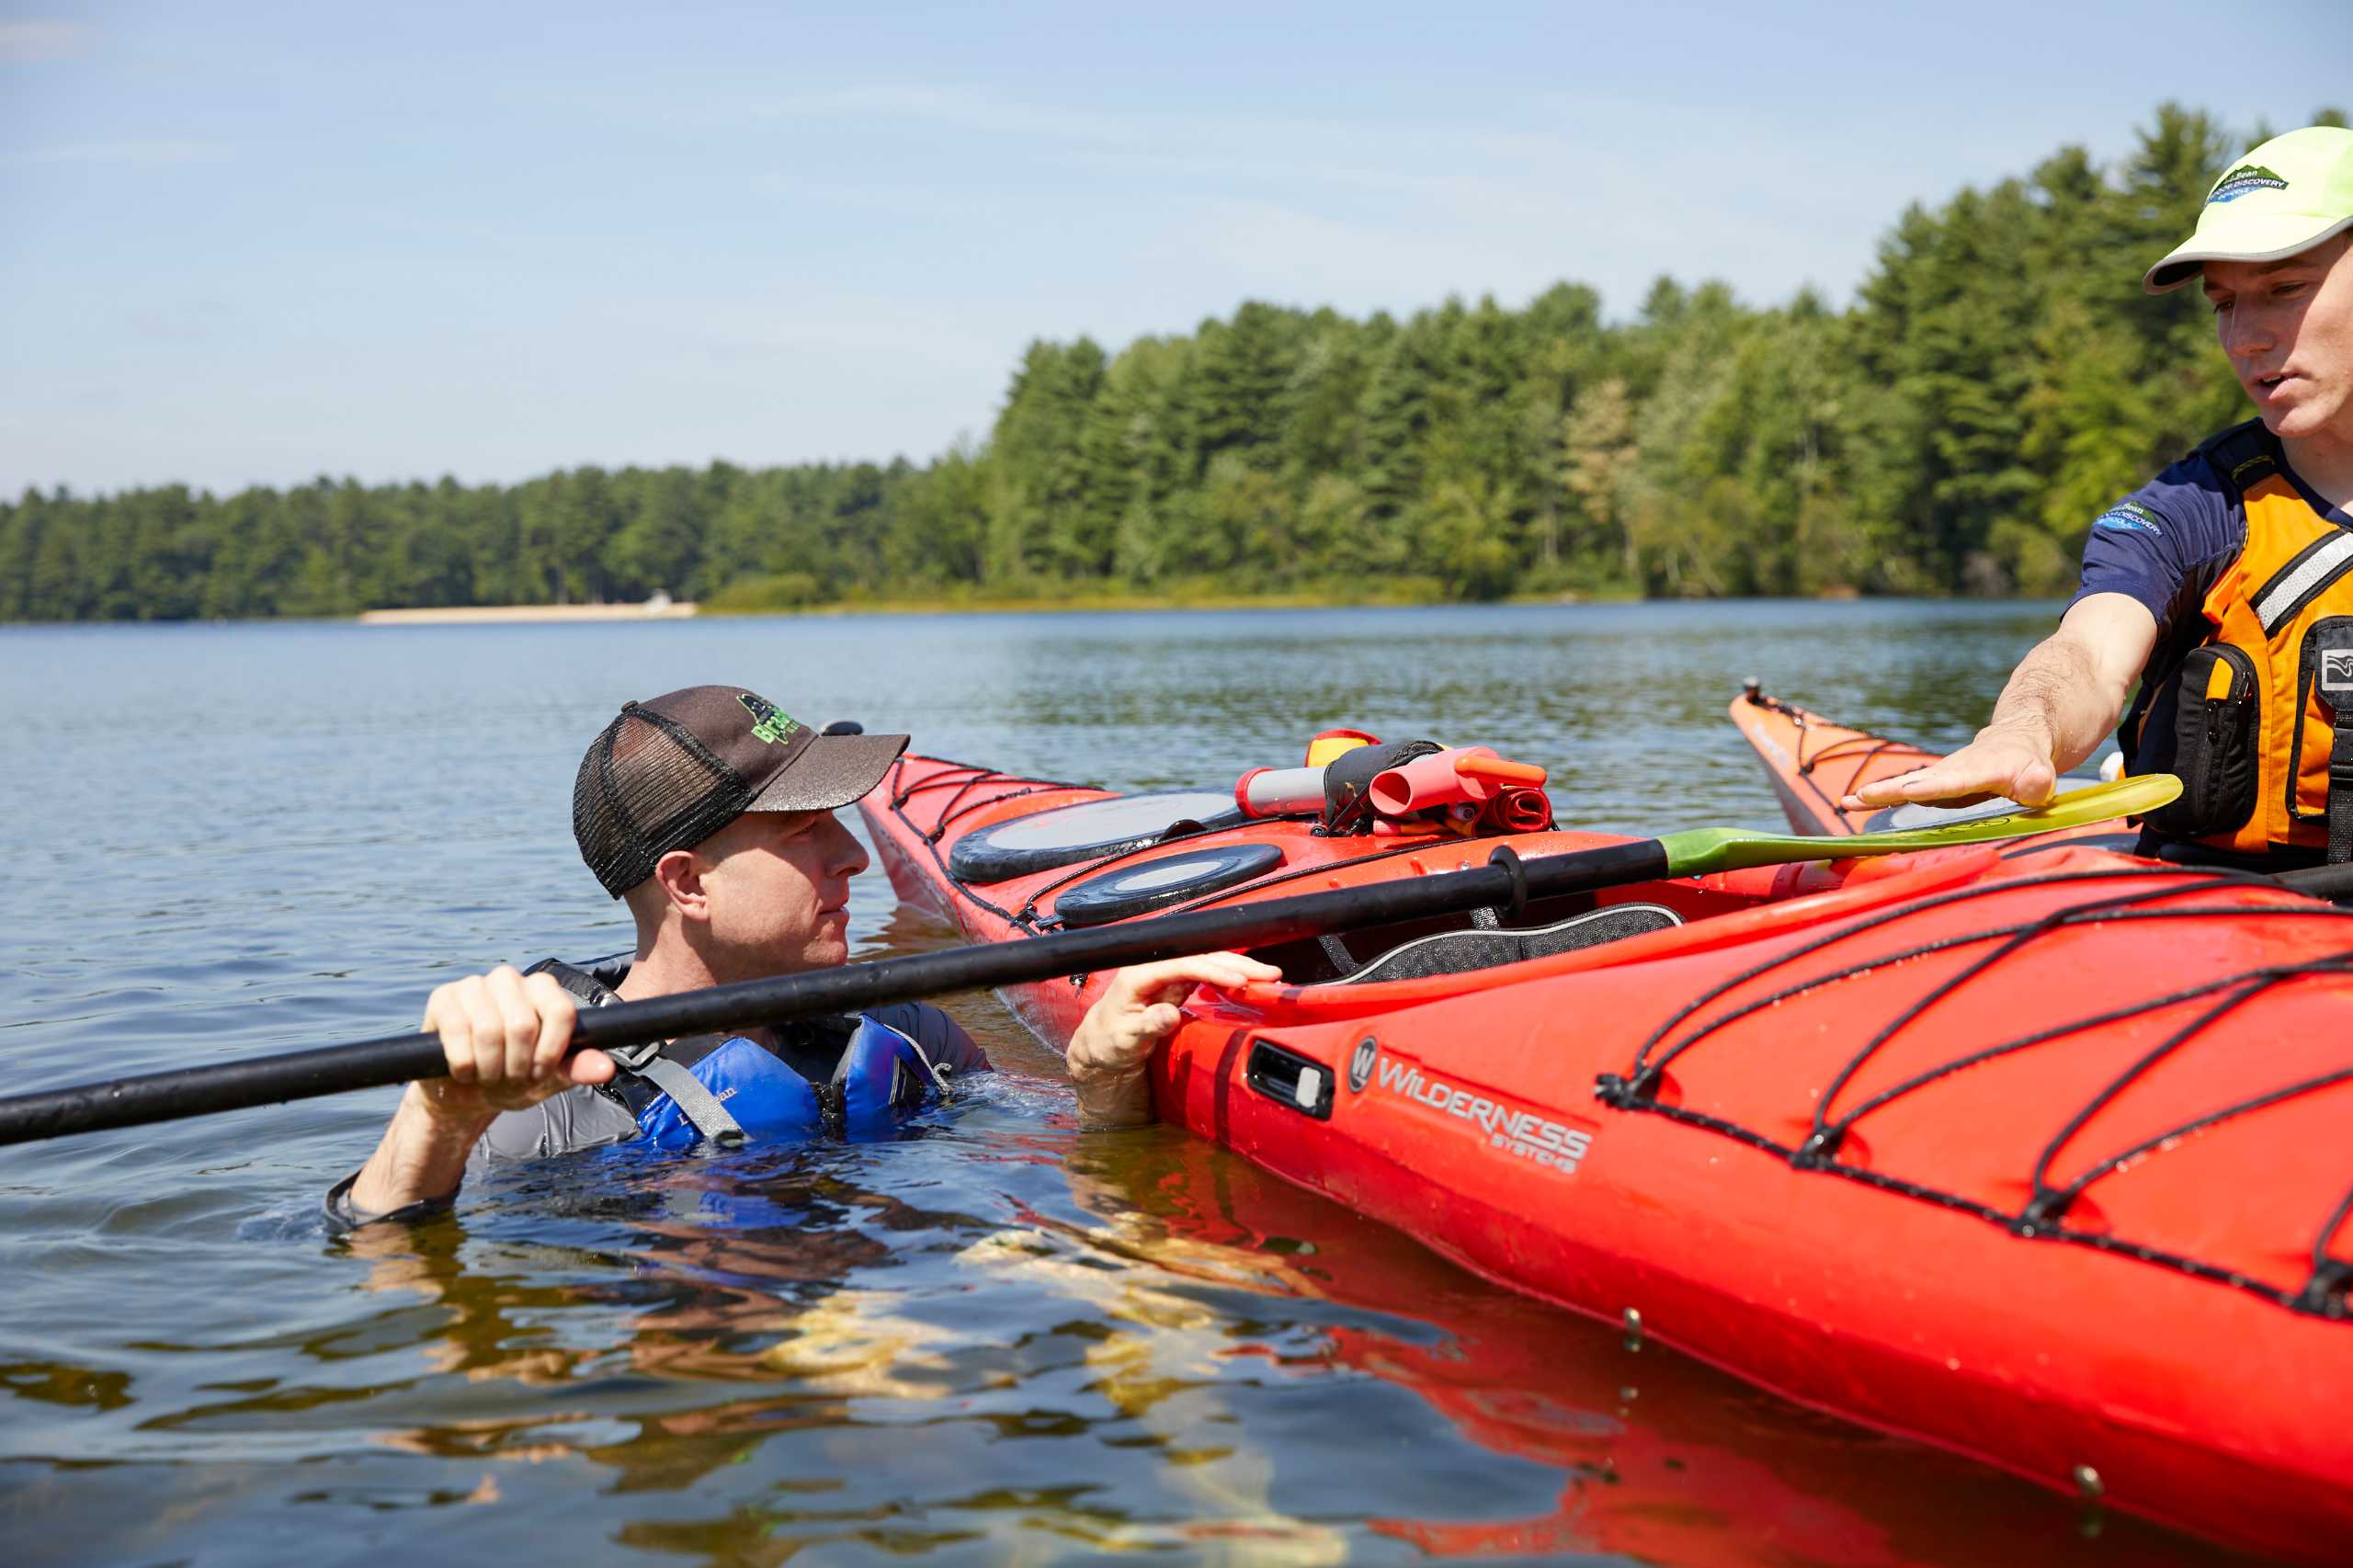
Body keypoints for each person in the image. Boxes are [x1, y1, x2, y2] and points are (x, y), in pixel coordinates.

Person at [331, 684, 1276, 1229]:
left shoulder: (916, 1035)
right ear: (687, 881)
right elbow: (388, 1273)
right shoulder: (550, 1101)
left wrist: (1104, 1083)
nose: (855, 857)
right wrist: (438, 1116)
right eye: (805, 835)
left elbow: (1066, 1166)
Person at [1847, 126, 2353, 867]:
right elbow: (2087, 654)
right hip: (2209, 922)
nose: (2244, 338)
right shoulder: (2188, 508)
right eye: (2223, 304)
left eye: (2284, 289)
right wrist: (2022, 732)